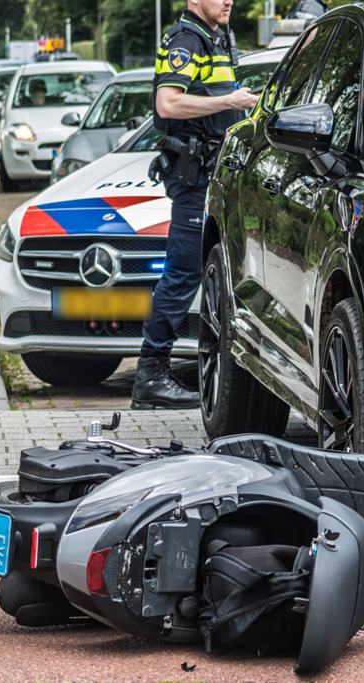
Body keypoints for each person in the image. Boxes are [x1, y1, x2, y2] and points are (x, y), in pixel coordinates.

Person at [130, 0, 258, 409]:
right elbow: (167, 104)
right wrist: (230, 102)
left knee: (206, 270)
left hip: (211, 171)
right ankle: (150, 376)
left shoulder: (216, 39)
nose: (228, 1)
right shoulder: (188, 40)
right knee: (183, 270)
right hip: (193, 174)